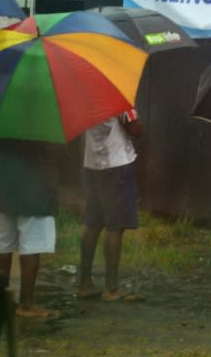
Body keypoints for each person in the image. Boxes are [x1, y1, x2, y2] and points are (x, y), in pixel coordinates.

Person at [0, 139, 62, 318]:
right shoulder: (43, 120)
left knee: (3, 242)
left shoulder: (0, 113)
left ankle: (0, 300)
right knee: (32, 243)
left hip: (1, 180)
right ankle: (27, 304)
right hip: (33, 183)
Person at [77, 109, 143, 302]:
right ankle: (111, 288)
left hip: (92, 164)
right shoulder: (118, 96)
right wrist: (138, 121)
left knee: (93, 224)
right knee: (115, 227)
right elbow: (135, 128)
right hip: (116, 165)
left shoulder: (84, 94)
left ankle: (84, 283)